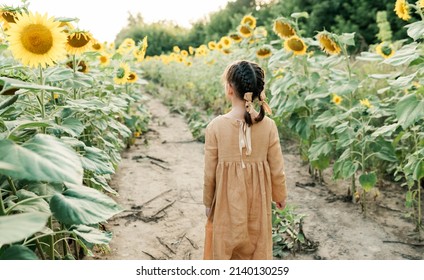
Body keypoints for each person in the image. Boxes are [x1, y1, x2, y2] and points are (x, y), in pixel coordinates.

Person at [203, 60, 287, 260]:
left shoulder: (215, 127)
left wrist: (208, 201)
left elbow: (210, 171)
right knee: (257, 246)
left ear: (230, 89)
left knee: (223, 246)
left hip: (225, 201)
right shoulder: (268, 126)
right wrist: (280, 195)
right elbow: (277, 168)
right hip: (257, 202)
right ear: (259, 91)